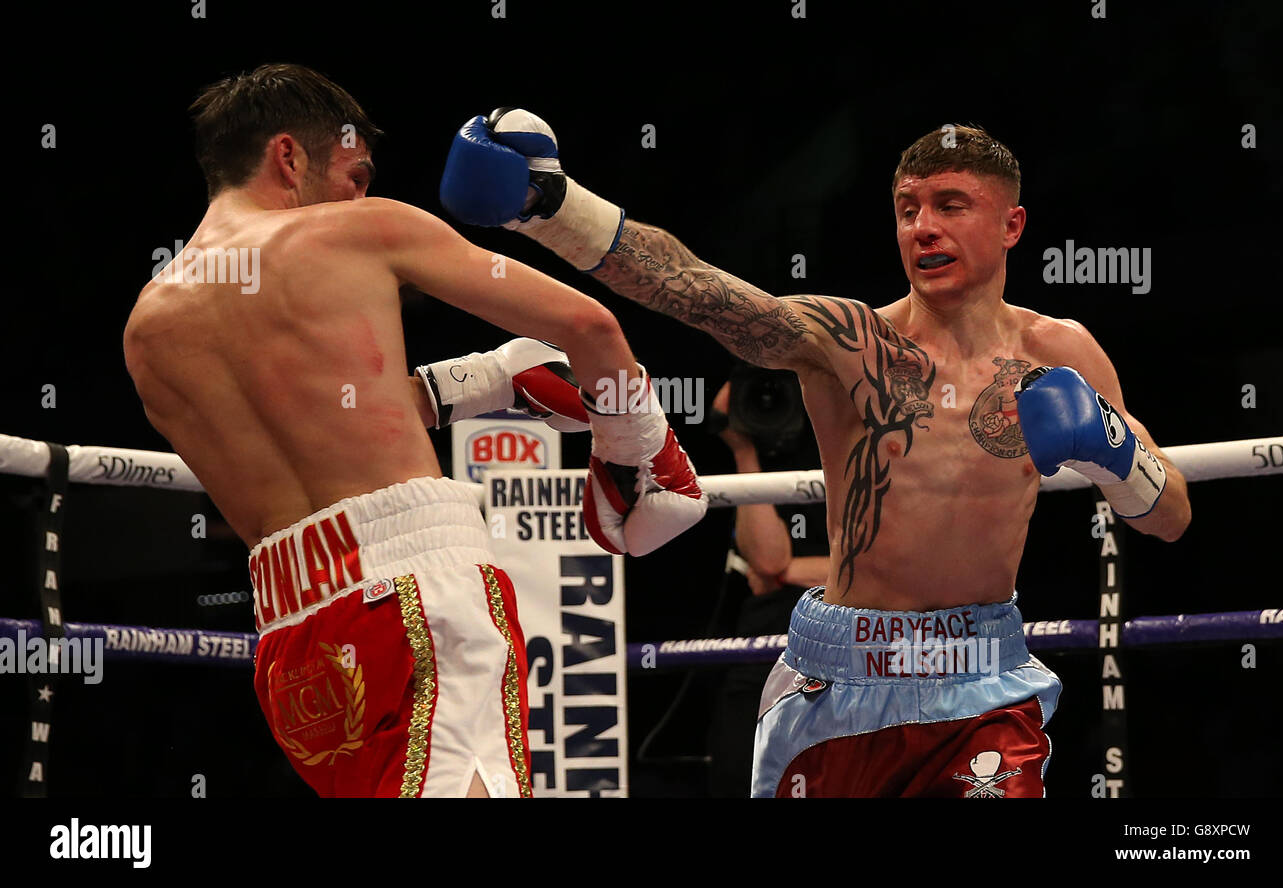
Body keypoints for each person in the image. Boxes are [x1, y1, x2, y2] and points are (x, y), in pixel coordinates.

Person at [438, 111, 1192, 797]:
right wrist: (554, 207)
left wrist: (1114, 449)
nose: (922, 227)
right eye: (907, 209)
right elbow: (701, 293)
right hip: (844, 679)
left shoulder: (1059, 354)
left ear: (1012, 225)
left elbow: (1170, 517)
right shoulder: (853, 342)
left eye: (950, 205)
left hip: (985, 681)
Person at [122, 65, 705, 798]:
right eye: (354, 171)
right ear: (288, 156)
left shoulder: (147, 330)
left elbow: (313, 418)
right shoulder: (361, 231)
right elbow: (589, 325)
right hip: (414, 591)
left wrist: (468, 383)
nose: (360, 193)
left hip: (293, 640)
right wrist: (638, 445)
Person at [706, 380, 829, 797]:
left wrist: (789, 569)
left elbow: (886, 565)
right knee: (740, 774)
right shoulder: (757, 456)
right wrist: (743, 449)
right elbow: (767, 559)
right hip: (766, 641)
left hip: (847, 640)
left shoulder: (865, 449)